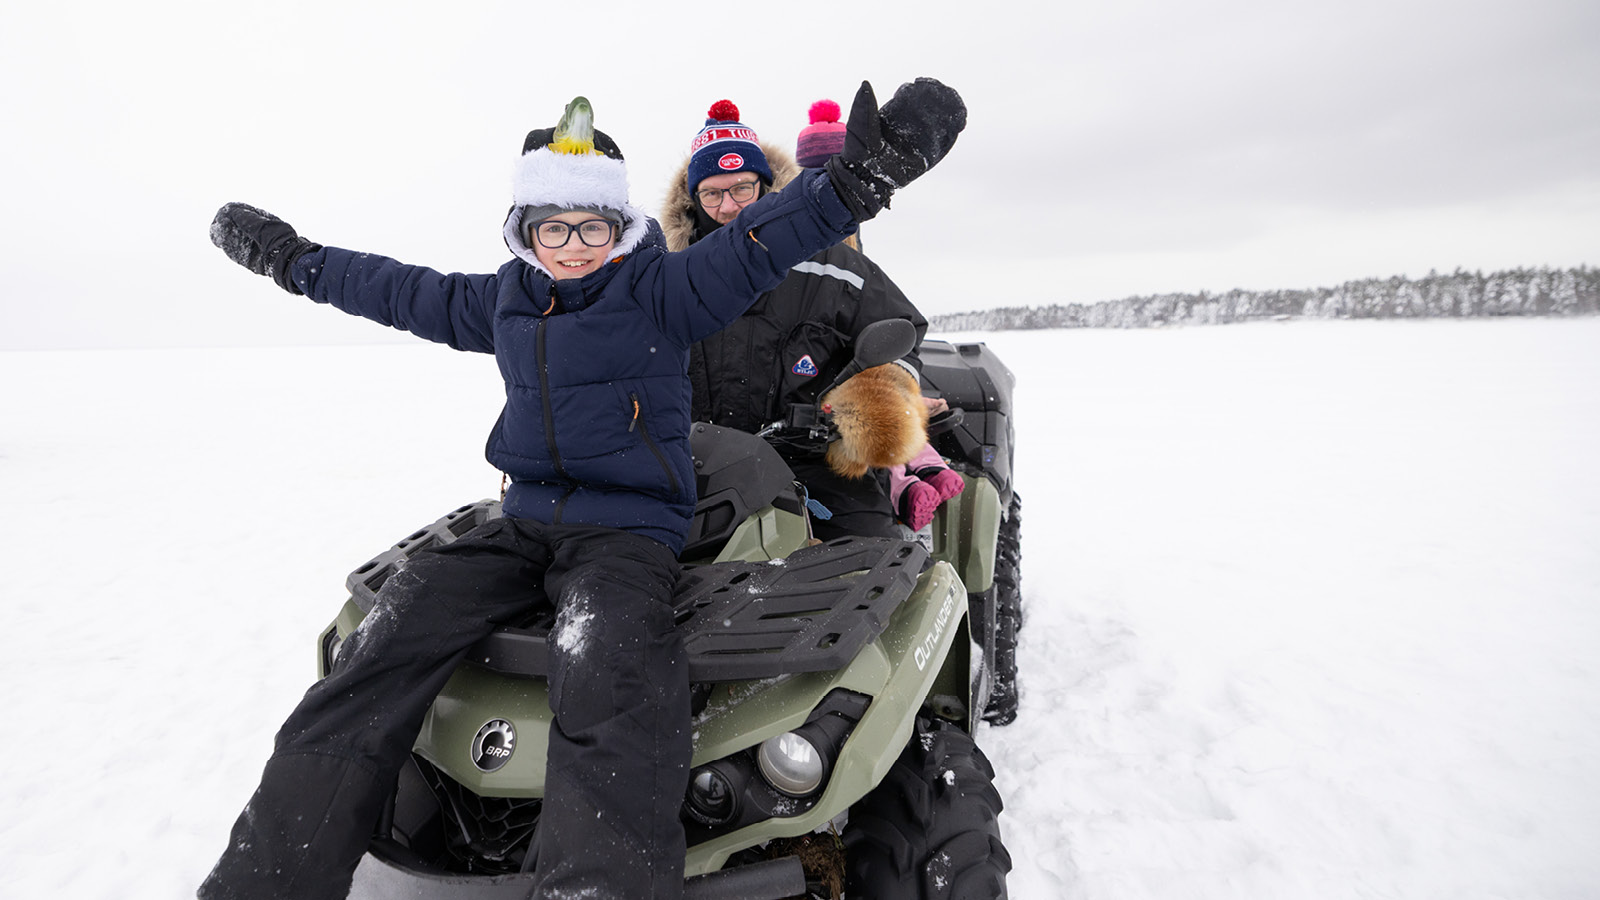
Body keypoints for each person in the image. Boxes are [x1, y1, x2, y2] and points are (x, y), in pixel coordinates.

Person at [198, 80, 965, 900]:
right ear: (525, 231)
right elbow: (391, 287)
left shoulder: (663, 290)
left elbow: (762, 242)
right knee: (385, 638)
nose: (572, 245)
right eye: (552, 227)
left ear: (620, 224)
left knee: (611, 673)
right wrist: (290, 259)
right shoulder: (504, 302)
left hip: (627, 535)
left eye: (591, 225)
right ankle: (266, 879)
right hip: (523, 525)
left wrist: (858, 179)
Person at [663, 97, 932, 541]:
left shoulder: (833, 265)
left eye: (741, 189)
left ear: (765, 187)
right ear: (692, 198)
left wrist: (869, 401)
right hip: (690, 466)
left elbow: (902, 332)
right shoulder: (671, 275)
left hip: (812, 464)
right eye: (712, 192)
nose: (728, 206)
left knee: (868, 566)